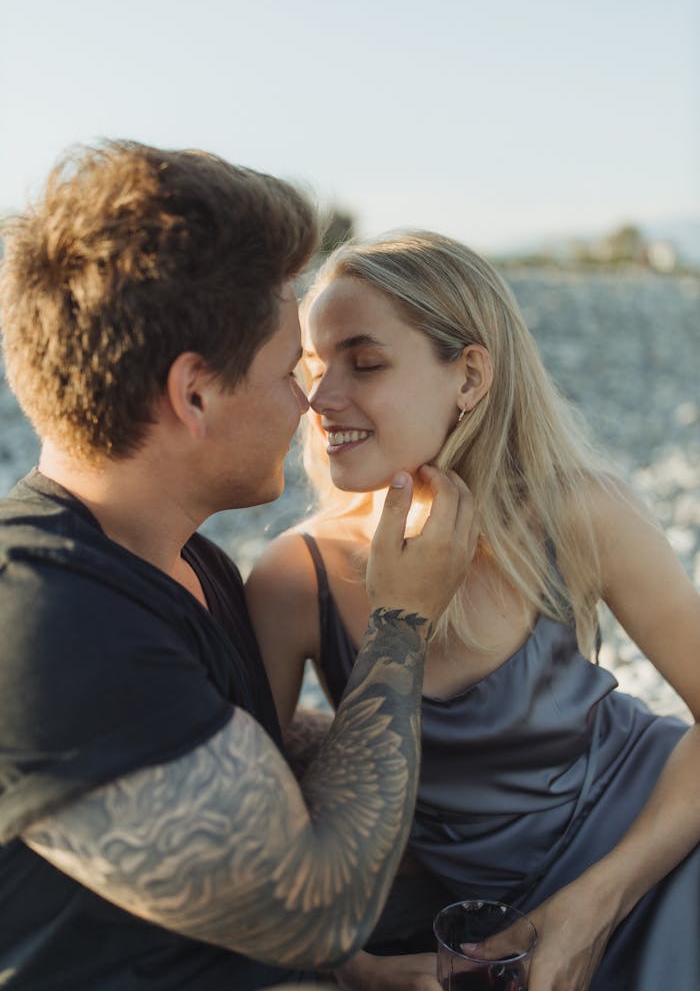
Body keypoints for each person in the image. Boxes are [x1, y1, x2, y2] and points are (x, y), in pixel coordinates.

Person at [0, 147, 474, 990]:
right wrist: (401, 623)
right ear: (195, 394)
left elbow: (239, 757)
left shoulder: (183, 559)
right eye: (290, 370)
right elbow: (322, 909)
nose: (310, 402)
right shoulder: (52, 621)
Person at [246, 230, 700, 991]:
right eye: (315, 368)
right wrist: (352, 967)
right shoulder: (297, 579)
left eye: (365, 363)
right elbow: (249, 827)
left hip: (657, 847)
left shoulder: (580, 514)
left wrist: (594, 905)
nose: (319, 401)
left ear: (470, 375)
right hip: (488, 932)